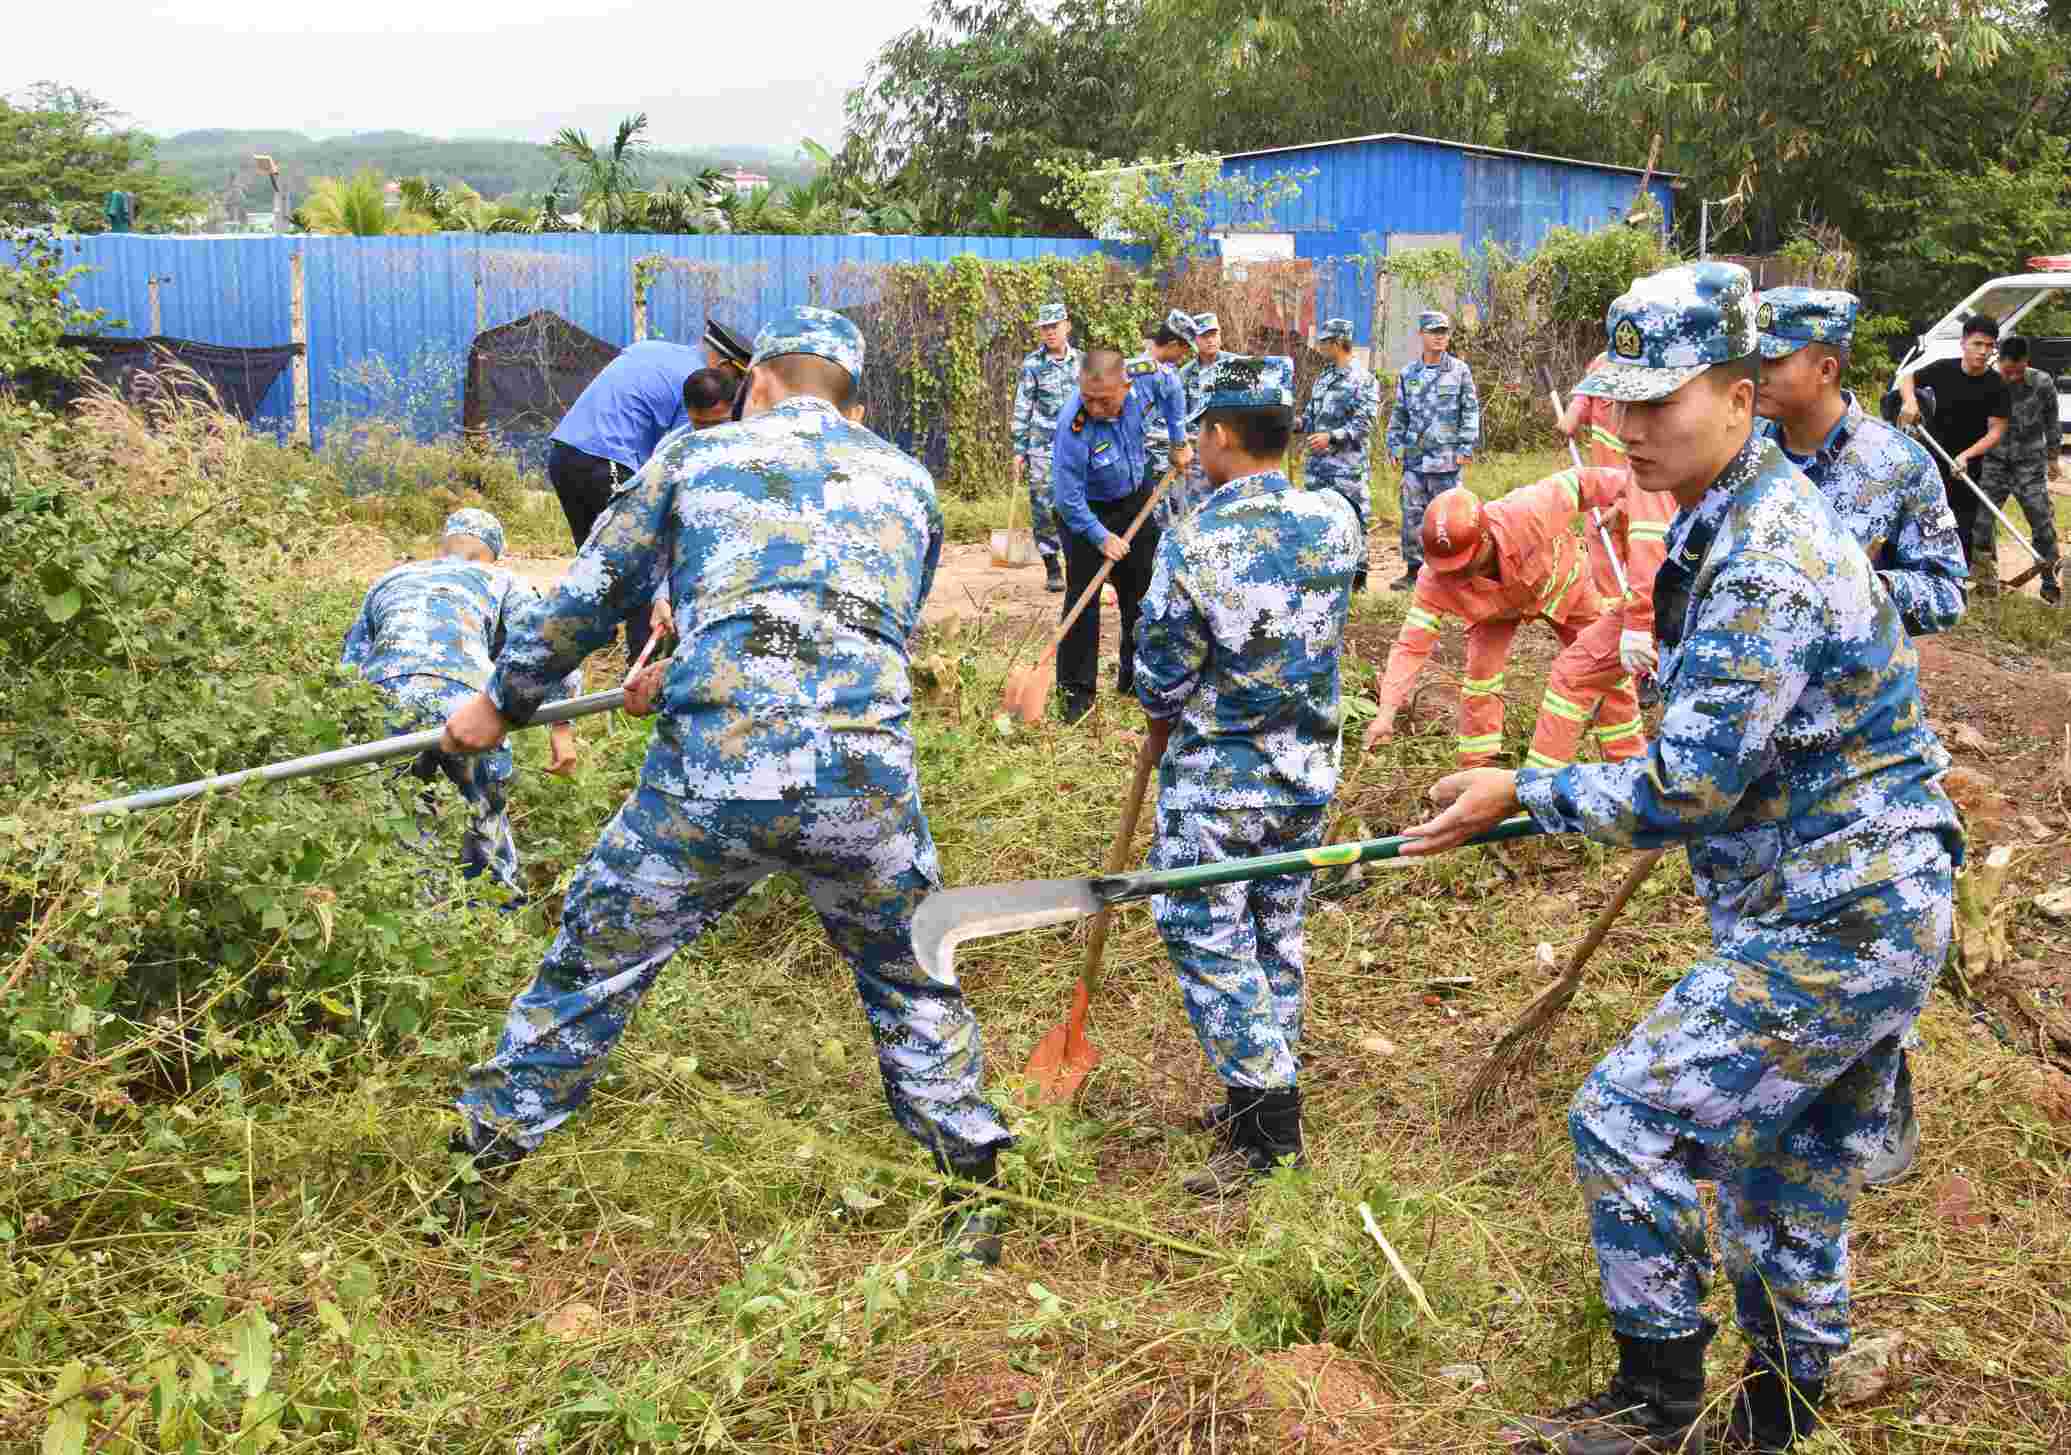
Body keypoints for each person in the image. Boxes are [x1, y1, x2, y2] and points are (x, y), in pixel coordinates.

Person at [1403, 261, 1961, 1455]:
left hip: (1841, 910)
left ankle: (1657, 1405)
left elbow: (1685, 785)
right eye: (1621, 403)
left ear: (1741, 394)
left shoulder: (1766, 555)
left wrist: (1524, 790)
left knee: (1623, 1118)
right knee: (1785, 1174)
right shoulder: (1726, 512)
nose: (1633, 428)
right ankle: (1778, 1418)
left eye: (1664, 403)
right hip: (1845, 896)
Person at [439, 308, 1017, 1263]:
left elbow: (593, 591)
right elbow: (880, 627)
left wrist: (501, 699)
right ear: (853, 402)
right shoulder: (911, 482)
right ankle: (974, 1197)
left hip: (712, 783)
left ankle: (477, 1167)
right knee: (911, 972)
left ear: (757, 384)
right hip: (863, 783)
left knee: (593, 964)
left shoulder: (693, 458)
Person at [1132, 355, 1361, 1197]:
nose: (1196, 445)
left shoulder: (1194, 541)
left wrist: (1158, 721)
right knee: (1276, 931)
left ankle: (1267, 1130)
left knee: (1208, 937)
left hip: (1220, 783)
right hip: (1305, 769)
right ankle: (1257, 1094)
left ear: (1222, 435)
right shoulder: (1334, 518)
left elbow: (1161, 672)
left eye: (1200, 432)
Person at [340, 509, 579, 895]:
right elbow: (547, 641)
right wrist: (562, 727)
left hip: (382, 698)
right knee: (483, 816)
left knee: (402, 821)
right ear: (493, 554)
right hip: (467, 703)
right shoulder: (501, 578)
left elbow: (349, 667)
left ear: (444, 544)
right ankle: (493, 913)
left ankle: (418, 913)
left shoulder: (389, 579)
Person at [1361, 476, 1637, 772]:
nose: (1458, 576)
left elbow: (1585, 481)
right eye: (1450, 570)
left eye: (1465, 566)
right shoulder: (1436, 578)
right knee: (1481, 676)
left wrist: (1628, 500)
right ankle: (1478, 769)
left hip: (1562, 585)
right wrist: (1386, 714)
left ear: (1485, 538)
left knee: (1605, 666)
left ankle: (1627, 762)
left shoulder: (1527, 511)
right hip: (1494, 611)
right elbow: (1411, 646)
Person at [1753, 288, 1966, 633]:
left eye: (1773, 361)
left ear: (1826, 370)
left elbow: (1947, 594)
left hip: (1840, 682)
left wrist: (1867, 588)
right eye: (1754, 358)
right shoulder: (1741, 447)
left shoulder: (1901, 464)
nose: (1757, 374)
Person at [1050, 348, 1189, 724]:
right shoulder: (1072, 425)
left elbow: (1173, 386)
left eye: (1104, 400)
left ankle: (1135, 679)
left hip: (1134, 496)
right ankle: (1075, 699)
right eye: (1088, 399)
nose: (1094, 408)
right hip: (1085, 511)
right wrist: (1100, 536)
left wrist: (1179, 441)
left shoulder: (1146, 379)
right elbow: (1067, 497)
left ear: (1126, 386)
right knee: (1084, 598)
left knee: (1142, 591)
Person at [1550, 353, 1676, 762]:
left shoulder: (1657, 369)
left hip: (1641, 489)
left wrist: (1624, 504)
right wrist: (1570, 415)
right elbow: (1578, 411)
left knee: (1644, 574)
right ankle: (1623, 665)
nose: (1624, 422)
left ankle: (1647, 669)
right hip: (1608, 494)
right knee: (1610, 589)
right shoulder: (1600, 367)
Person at [548, 337, 703, 667]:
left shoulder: (653, 348)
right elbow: (676, 455)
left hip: (564, 452)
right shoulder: (699, 383)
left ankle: (593, 644)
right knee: (640, 560)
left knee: (596, 556)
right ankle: (641, 665)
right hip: (608, 458)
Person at [1897, 313, 2010, 575]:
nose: (1984, 352)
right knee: (1924, 517)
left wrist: (1967, 456)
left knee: (1961, 523)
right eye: (1978, 344)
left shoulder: (1997, 386)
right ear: (1963, 343)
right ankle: (1920, 572)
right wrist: (1910, 401)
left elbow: (1996, 432)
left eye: (1989, 346)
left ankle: (1957, 580)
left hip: (1967, 465)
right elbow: (1907, 377)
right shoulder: (1942, 369)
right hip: (1932, 457)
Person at [1384, 310, 1480, 590]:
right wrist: (1394, 444)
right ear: (1421, 335)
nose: (1440, 337)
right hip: (1415, 459)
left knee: (1449, 517)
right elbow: (1400, 413)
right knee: (1412, 514)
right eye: (1434, 331)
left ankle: (1452, 572)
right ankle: (1414, 571)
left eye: (1444, 332)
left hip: (1447, 459)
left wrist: (1466, 445)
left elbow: (1470, 411)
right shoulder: (1408, 373)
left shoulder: (1459, 370)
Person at [1975, 333, 2064, 601]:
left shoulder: (2042, 383)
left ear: (2027, 362)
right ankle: (1985, 583)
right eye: (2007, 371)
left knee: (2041, 521)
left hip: (2029, 464)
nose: (2012, 377)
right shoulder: (1985, 382)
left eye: (2018, 371)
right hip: (1993, 463)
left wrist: (2052, 457)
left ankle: (2050, 583)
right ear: (1998, 360)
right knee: (1981, 523)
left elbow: (2052, 420)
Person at [1299, 318, 1381, 592]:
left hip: (1347, 469)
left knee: (1354, 519)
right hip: (1318, 469)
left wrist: (1332, 437)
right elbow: (1312, 417)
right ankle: (1325, 576)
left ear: (1337, 343)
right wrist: (1292, 423)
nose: (1320, 347)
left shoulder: (1363, 380)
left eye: (1324, 342)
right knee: (1318, 521)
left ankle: (1358, 579)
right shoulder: (1324, 377)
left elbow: (1364, 424)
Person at [1011, 302, 1083, 592]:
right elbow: (1022, 406)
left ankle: (1079, 561)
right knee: (1042, 504)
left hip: (1077, 443)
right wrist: (1019, 449)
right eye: (1045, 328)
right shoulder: (1032, 365)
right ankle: (1052, 565)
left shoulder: (1082, 361)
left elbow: (1092, 399)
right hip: (1041, 445)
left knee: (1079, 500)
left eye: (1055, 326)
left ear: (1066, 326)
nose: (1050, 332)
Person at [1136, 309, 1199, 527]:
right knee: (1158, 525)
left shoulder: (1149, 369)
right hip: (1146, 463)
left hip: (1149, 463)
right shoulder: (1157, 376)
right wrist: (1180, 447)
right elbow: (1177, 433)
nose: (1185, 354)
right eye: (1184, 348)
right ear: (1172, 344)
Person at [1175, 312, 1226, 521]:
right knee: (1199, 517)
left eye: (1214, 334)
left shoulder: (1237, 366)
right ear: (1195, 340)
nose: (1211, 340)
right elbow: (1179, 416)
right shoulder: (1185, 374)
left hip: (1230, 454)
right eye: (1205, 335)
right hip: (1198, 459)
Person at [683, 366, 740, 431]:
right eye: (701, 424)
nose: (709, 431)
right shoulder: (675, 439)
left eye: (718, 423)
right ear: (687, 411)